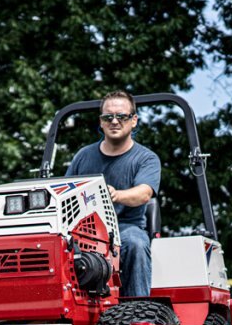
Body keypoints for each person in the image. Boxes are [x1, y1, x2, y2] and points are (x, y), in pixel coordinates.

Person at [65, 90, 161, 298]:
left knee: (135, 244)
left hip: (124, 228)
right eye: (108, 117)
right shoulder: (83, 156)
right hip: (83, 230)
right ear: (101, 122)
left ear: (133, 120)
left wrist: (115, 195)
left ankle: (138, 310)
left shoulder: (146, 159)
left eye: (122, 116)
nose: (114, 121)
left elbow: (144, 193)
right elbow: (65, 189)